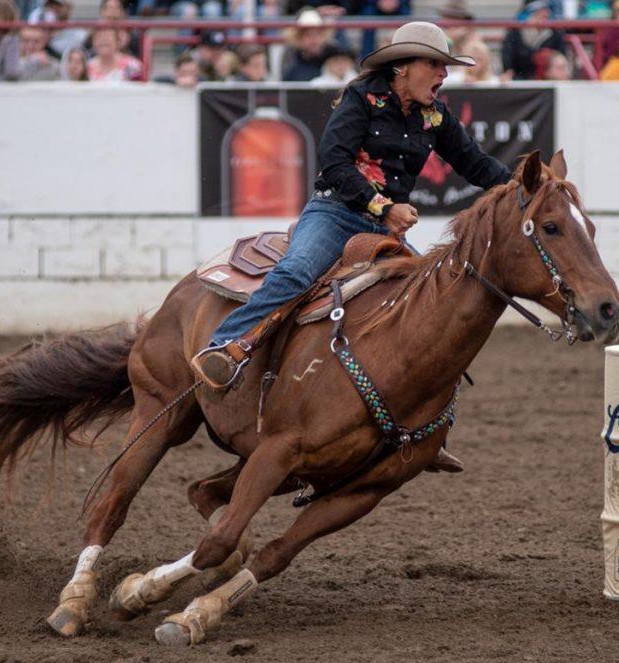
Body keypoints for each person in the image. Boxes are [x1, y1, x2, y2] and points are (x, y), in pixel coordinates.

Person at [191, 21, 511, 395]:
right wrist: (384, 208)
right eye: (435, 65)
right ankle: (223, 349)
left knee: (431, 298)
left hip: (385, 228)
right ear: (402, 67)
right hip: (336, 213)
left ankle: (426, 418)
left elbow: (476, 164)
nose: (444, 73)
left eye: (445, 67)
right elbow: (335, 162)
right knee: (296, 273)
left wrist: (527, 184)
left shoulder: (435, 114)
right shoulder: (362, 97)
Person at [502, 0, 566, 81]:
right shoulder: (515, 33)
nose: (544, 15)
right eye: (539, 13)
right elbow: (508, 62)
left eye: (546, 13)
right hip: (520, 79)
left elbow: (561, 56)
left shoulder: (555, 33)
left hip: (548, 79)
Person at [282, 7, 337, 82]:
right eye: (308, 35)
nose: (314, 39)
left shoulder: (334, 55)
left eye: (317, 34)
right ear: (299, 38)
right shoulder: (291, 60)